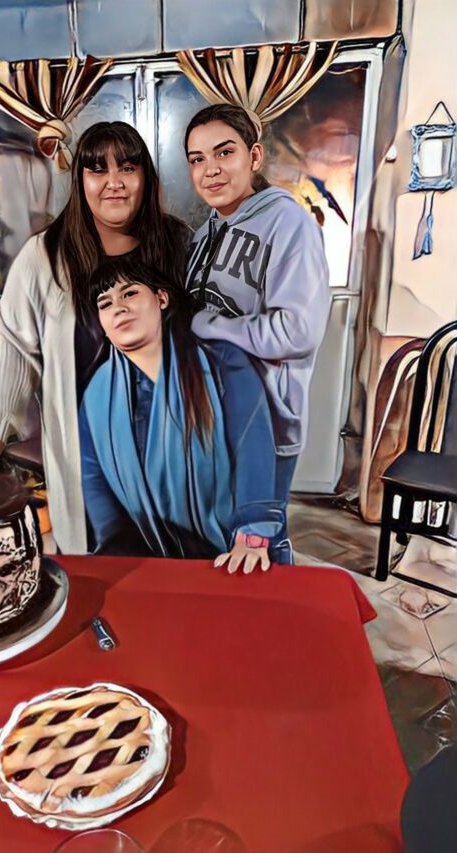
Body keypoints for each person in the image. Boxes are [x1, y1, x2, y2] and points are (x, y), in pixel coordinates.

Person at [0, 122, 189, 553]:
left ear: (146, 177)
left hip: (170, 444)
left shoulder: (177, 245)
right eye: (97, 170)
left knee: (173, 557)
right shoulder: (45, 255)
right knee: (101, 557)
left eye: (127, 168)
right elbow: (15, 345)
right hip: (87, 456)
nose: (113, 183)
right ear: (80, 180)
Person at [184, 103, 330, 562]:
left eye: (224, 153)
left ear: (254, 156)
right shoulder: (204, 234)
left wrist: (210, 325)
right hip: (210, 418)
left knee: (262, 541)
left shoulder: (290, 225)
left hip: (267, 424)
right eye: (197, 159)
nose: (210, 169)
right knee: (222, 544)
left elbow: (297, 330)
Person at [78, 256, 286, 572]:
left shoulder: (222, 362)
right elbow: (93, 477)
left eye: (129, 293)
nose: (118, 307)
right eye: (105, 304)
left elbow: (253, 451)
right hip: (144, 560)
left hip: (229, 553)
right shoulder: (96, 394)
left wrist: (251, 536)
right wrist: (114, 546)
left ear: (161, 298)